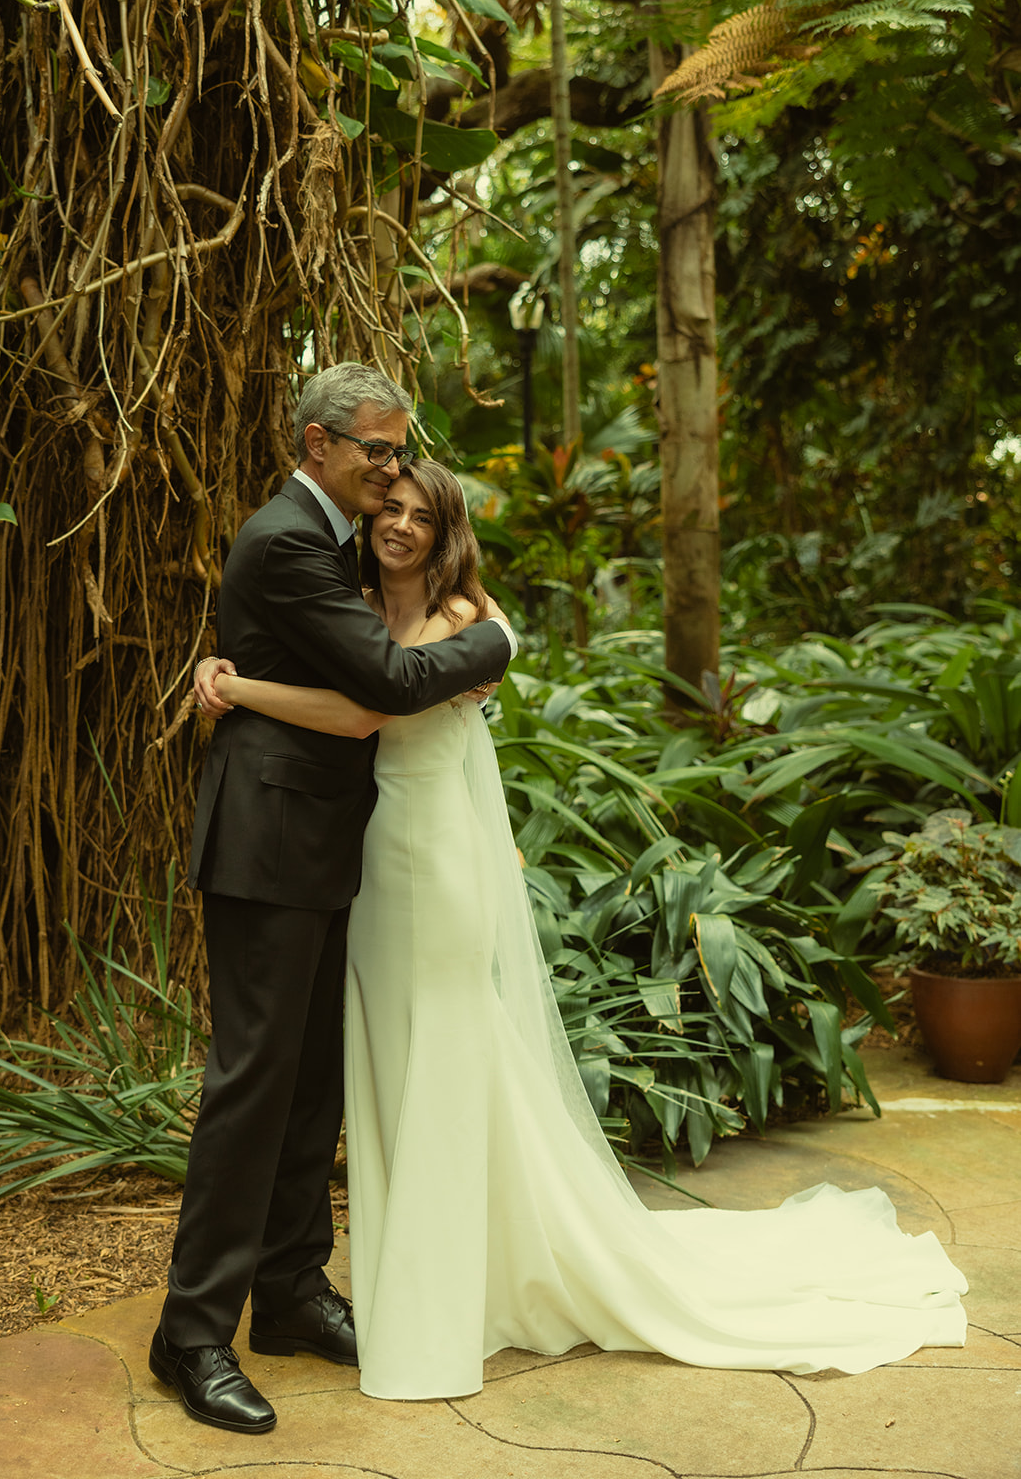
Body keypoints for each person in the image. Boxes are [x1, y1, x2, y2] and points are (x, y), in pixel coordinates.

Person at [198, 458, 969, 1404]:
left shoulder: (465, 625)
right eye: (387, 507)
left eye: (420, 516)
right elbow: (346, 688)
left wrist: (235, 691)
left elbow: (370, 708)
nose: (398, 523)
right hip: (359, 867)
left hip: (432, 863)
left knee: (442, 1052)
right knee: (383, 1067)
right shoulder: (354, 602)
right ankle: (362, 1280)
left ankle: (446, 1298)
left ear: (448, 536)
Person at [151, 369, 515, 1434]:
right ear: (318, 443)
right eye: (376, 451)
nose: (392, 468)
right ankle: (192, 1332)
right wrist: (493, 643)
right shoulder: (286, 542)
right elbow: (387, 686)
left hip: (323, 845)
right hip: (267, 843)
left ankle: (290, 1291)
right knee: (253, 1085)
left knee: (312, 1081)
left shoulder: (337, 536)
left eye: (401, 452)